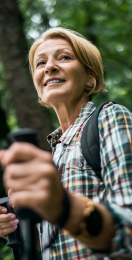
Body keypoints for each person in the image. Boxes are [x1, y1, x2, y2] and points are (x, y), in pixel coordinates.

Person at [0, 27, 132, 260]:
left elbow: (128, 230)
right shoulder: (54, 152)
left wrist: (63, 206)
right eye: (40, 64)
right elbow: (61, 243)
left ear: (90, 77)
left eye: (64, 57)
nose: (49, 67)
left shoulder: (110, 118)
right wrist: (18, 226)